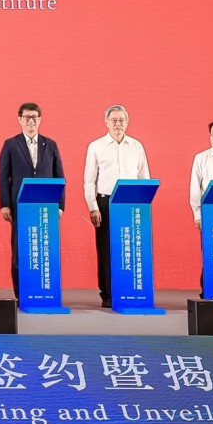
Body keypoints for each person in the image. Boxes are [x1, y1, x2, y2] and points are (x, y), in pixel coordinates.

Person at [83, 104, 149, 308]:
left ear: (127, 122)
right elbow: (89, 180)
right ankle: (108, 294)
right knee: (106, 249)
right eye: (114, 120)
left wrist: (144, 202)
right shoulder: (96, 146)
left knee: (132, 248)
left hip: (131, 203)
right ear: (106, 122)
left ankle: (132, 290)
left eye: (122, 120)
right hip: (105, 202)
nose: (118, 124)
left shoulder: (136, 146)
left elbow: (143, 176)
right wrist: (93, 206)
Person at [0, 102, 64, 295]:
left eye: (34, 117)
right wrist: (5, 205)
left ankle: (46, 289)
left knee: (44, 247)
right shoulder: (11, 144)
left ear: (40, 119)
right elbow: (3, 176)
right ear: (20, 120)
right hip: (19, 205)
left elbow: (59, 176)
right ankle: (21, 292)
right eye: (27, 117)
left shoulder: (50, 144)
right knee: (20, 249)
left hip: (45, 206)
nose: (31, 121)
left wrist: (60, 205)